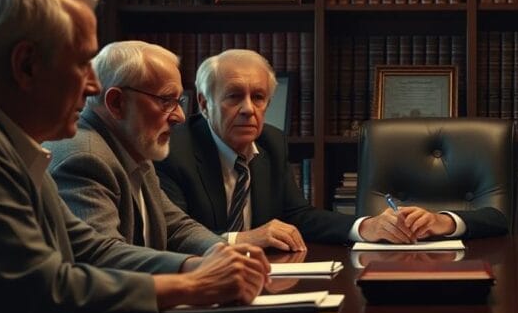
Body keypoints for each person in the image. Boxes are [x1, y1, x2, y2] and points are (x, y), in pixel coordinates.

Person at [0, 0, 269, 313]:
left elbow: (87, 247)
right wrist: (192, 284)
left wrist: (200, 265)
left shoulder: (8, 140)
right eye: (81, 63)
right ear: (26, 65)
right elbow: (39, 288)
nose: (93, 85)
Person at [156, 49, 496, 244]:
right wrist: (241, 240)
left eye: (258, 97)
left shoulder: (270, 142)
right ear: (203, 102)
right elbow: (169, 237)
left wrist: (365, 226)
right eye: (233, 96)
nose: (248, 108)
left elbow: (299, 217)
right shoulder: (174, 149)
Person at [46, 40, 304, 257]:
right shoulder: (85, 157)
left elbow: (176, 227)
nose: (180, 116)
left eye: (177, 101)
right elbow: (105, 256)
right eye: (166, 100)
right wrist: (194, 267)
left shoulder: (134, 151)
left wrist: (222, 254)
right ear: (116, 103)